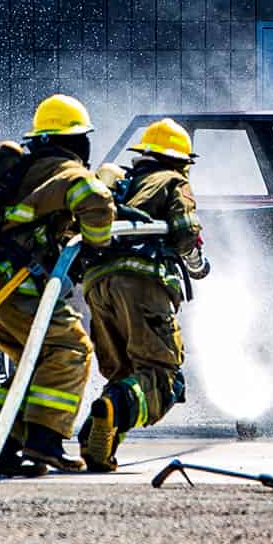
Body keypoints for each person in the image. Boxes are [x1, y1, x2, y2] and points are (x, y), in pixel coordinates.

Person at [0, 94, 115, 477]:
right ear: (76, 140)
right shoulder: (66, 170)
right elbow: (97, 202)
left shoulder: (22, 168)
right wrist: (96, 242)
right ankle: (45, 442)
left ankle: (2, 447)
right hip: (10, 278)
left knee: (31, 359)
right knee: (70, 348)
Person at [76, 118, 210, 472]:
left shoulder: (122, 183)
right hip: (141, 283)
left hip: (97, 285)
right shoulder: (173, 181)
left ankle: (97, 446)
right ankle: (112, 411)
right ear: (181, 161)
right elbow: (185, 232)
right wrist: (199, 266)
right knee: (162, 376)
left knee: (125, 373)